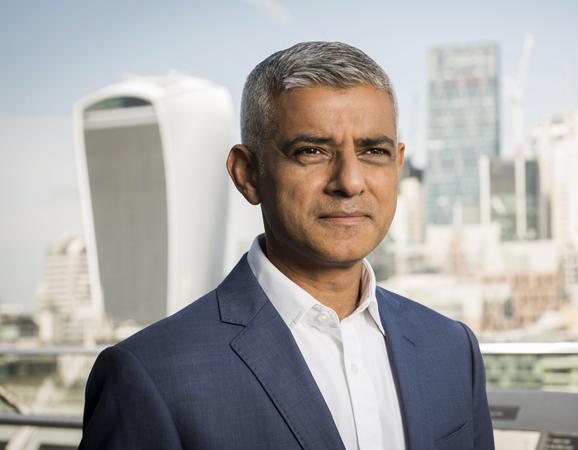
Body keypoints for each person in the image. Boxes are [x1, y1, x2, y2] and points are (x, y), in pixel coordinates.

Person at [79, 41, 494, 450]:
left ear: (398, 166)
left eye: (373, 151)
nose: (350, 181)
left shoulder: (452, 348)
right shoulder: (150, 375)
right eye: (311, 151)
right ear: (247, 174)